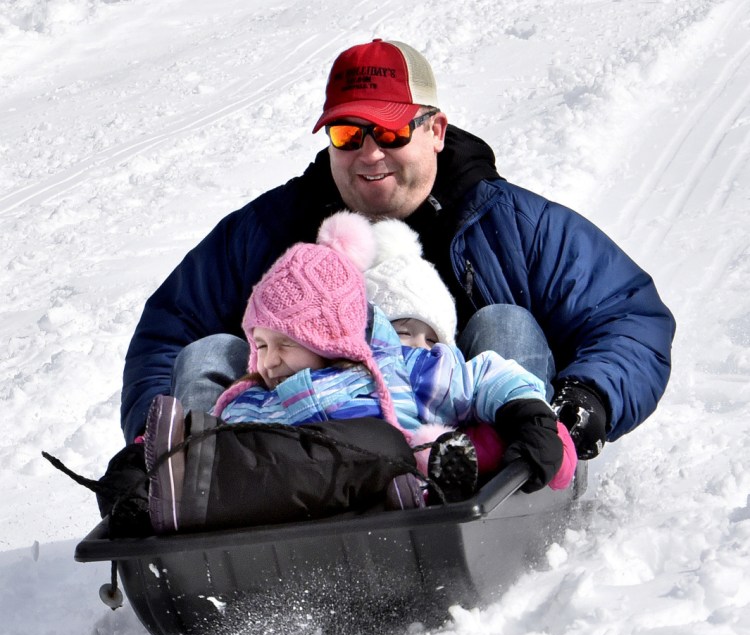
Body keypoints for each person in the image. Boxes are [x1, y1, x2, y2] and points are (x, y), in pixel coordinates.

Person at [121, 38, 676, 465]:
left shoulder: (511, 222)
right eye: (346, 134)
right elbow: (172, 325)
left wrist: (586, 400)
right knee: (209, 350)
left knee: (505, 324)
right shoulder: (275, 228)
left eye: (389, 132)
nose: (368, 155)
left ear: (435, 129)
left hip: (465, 442)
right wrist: (148, 442)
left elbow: (626, 313)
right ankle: (186, 483)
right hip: (298, 455)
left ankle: (506, 479)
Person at [143, 211, 569, 534]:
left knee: (383, 442)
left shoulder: (398, 372)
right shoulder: (255, 397)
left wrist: (529, 413)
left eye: (285, 344)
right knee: (240, 452)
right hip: (302, 521)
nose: (269, 361)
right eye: (261, 346)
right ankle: (180, 481)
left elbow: (481, 378)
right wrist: (160, 457)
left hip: (393, 503)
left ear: (332, 338)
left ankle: (417, 486)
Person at [363, 216, 577, 487]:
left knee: (491, 435)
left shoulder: (441, 372)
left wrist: (534, 418)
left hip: (444, 460)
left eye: (432, 340)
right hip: (372, 464)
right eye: (402, 333)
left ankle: (518, 470)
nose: (419, 345)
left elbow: (488, 379)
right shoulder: (349, 373)